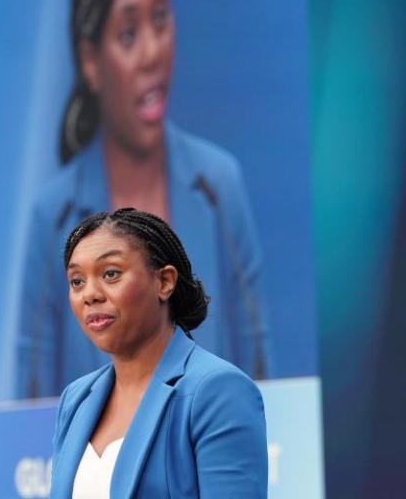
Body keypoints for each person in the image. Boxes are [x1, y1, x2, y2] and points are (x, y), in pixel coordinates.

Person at [16, 0, 270, 398]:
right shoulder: (52, 217)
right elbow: (25, 411)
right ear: (90, 60)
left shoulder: (218, 188)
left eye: (161, 15)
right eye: (128, 33)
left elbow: (263, 372)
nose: (153, 51)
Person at [49, 208, 268, 498]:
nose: (90, 294)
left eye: (111, 274)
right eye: (77, 281)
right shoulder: (76, 398)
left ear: (164, 282)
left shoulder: (217, 390)